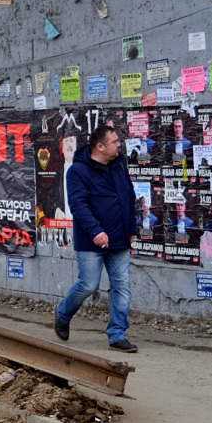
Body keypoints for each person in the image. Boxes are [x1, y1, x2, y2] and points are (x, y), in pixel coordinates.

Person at [54, 125, 138, 353]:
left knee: (122, 286)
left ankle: (117, 334)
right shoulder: (78, 171)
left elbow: (129, 196)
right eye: (114, 141)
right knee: (89, 285)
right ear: (100, 147)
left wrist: (132, 227)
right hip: (92, 240)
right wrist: (95, 231)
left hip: (120, 239)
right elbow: (78, 205)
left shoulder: (119, 164)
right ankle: (63, 314)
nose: (119, 144)